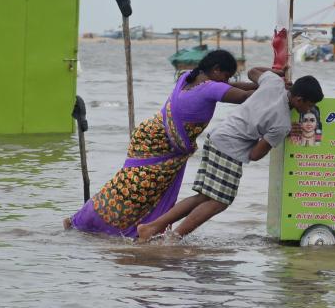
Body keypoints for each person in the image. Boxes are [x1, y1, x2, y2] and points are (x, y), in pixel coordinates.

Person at [63, 50, 262, 238]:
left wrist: (260, 85)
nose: (227, 82)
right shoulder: (211, 88)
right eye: (227, 76)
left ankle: (79, 221)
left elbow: (236, 88)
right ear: (216, 70)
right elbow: (243, 97)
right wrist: (273, 88)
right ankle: (91, 224)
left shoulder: (187, 77)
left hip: (149, 134)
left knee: (125, 184)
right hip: (161, 145)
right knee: (134, 192)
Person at [136, 71, 324, 242]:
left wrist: (276, 73)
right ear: (299, 100)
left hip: (218, 136)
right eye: (310, 105)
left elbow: (252, 72)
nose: (309, 110)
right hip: (230, 148)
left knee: (203, 197)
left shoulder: (274, 82)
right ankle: (174, 237)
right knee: (220, 201)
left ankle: (152, 227)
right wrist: (275, 137)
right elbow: (255, 154)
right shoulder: (282, 124)